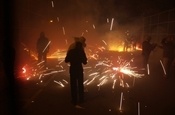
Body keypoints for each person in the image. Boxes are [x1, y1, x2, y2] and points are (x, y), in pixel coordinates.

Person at [65, 41, 87, 106]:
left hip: (73, 69)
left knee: (73, 85)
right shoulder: (81, 52)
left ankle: (74, 100)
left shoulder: (71, 52)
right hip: (79, 69)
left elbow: (66, 60)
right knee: (80, 85)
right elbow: (85, 62)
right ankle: (81, 99)